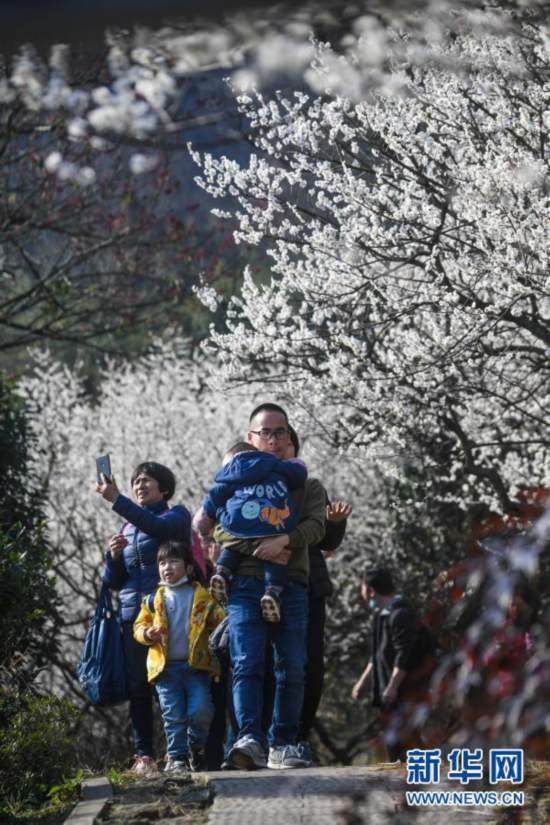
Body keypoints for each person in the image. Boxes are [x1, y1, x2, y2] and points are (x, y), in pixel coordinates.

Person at [219, 403, 326, 770]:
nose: (273, 439)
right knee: (246, 661)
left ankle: (284, 740)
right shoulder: (237, 480)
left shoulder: (307, 485)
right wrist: (258, 546)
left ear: (290, 436)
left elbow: (317, 527)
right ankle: (249, 738)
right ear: (251, 439)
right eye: (264, 432)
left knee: (292, 666)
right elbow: (218, 528)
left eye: (279, 432)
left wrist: (284, 541)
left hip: (291, 585)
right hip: (245, 585)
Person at [97, 461, 191, 776]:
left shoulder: (175, 516)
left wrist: (117, 500)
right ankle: (144, 755)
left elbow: (159, 530)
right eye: (135, 481)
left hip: (169, 615)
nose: (139, 485)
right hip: (132, 618)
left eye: (146, 480)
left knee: (174, 681)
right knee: (139, 687)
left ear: (163, 487)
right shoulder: (127, 528)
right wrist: (112, 558)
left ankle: (181, 752)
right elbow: (114, 580)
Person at [133, 540, 225, 772]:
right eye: (162, 562)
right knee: (173, 715)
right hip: (165, 670)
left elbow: (221, 621)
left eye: (174, 561)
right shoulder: (153, 600)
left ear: (188, 566)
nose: (167, 567)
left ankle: (194, 748)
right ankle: (177, 758)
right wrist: (147, 633)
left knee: (201, 710)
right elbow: (138, 627)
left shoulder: (202, 596)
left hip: (197, 668)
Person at [193, 440, 307, 622]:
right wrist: (295, 463)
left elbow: (209, 505)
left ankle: (222, 573)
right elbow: (298, 473)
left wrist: (205, 525)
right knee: (278, 556)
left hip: (241, 520)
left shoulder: (229, 477)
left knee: (234, 541)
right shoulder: (272, 467)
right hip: (274, 520)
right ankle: (273, 592)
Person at [351, 566, 436, 762]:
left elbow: (404, 653)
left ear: (371, 590)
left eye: (363, 588)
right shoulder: (382, 616)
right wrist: (363, 683)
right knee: (395, 741)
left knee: (408, 738)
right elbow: (378, 655)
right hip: (390, 694)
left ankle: (422, 780)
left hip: (405, 691)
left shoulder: (401, 614)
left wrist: (392, 686)